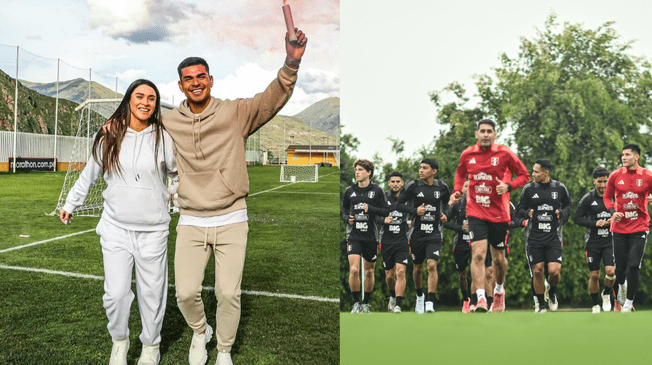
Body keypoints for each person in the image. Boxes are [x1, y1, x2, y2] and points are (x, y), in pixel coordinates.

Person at [61, 79, 176, 365]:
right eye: (140, 96)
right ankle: (120, 342)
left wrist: (183, 201)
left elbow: (174, 176)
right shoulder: (109, 135)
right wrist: (71, 203)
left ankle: (151, 346)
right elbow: (90, 174)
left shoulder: (164, 138)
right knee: (116, 294)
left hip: (153, 230)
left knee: (152, 294)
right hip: (115, 229)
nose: (146, 102)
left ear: (156, 104)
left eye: (151, 98)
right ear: (129, 100)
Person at [449, 119, 530, 313]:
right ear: (476, 134)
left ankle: (499, 291)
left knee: (498, 260)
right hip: (476, 210)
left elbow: (524, 176)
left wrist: (509, 187)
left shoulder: (504, 153)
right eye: (482, 131)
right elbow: (460, 174)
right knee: (477, 254)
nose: (485, 134)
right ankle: (481, 299)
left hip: (499, 213)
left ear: (495, 134)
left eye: (489, 131)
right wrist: (457, 191)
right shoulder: (468, 154)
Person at [516, 159, 573, 313]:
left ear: (546, 172)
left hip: (554, 236)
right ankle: (541, 306)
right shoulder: (528, 189)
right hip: (534, 237)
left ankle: (552, 292)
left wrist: (562, 214)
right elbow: (519, 209)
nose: (532, 174)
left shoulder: (559, 188)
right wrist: (526, 214)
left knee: (554, 271)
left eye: (536, 171)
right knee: (537, 271)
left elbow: (569, 205)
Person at [603, 144, 652, 313]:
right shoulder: (615, 175)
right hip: (619, 228)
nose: (623, 157)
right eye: (623, 155)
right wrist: (612, 212)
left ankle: (628, 303)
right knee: (620, 269)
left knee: (634, 265)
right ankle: (622, 286)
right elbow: (607, 197)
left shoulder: (647, 175)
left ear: (636, 157)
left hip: (640, 227)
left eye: (627, 155)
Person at [398, 159, 450, 313]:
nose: (421, 170)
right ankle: (419, 296)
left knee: (432, 265)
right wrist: (414, 211)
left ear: (434, 171)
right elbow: (399, 204)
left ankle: (430, 302)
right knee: (418, 268)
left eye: (425, 168)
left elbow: (447, 204)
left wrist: (445, 215)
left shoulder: (442, 187)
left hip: (434, 233)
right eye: (420, 168)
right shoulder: (413, 186)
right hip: (416, 234)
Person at [342, 159, 388, 313]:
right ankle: (356, 303)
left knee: (369, 272)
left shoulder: (377, 191)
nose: (357, 172)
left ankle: (366, 304)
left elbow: (385, 211)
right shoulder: (349, 191)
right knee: (354, 270)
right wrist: (347, 218)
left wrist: (372, 209)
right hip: (354, 235)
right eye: (356, 169)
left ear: (369, 173)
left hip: (370, 237)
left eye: (360, 170)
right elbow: (343, 210)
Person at [574, 167, 615, 314]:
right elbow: (576, 218)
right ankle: (595, 304)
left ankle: (606, 293)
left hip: (610, 241)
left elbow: (622, 214)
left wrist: (613, 220)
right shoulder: (588, 198)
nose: (603, 185)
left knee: (611, 272)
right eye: (600, 182)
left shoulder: (614, 197)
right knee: (595, 275)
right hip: (593, 242)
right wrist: (594, 223)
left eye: (605, 181)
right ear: (594, 181)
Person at [379, 171, 411, 313]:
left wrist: (411, 222)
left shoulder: (408, 199)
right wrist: (382, 220)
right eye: (393, 181)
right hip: (386, 241)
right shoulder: (383, 197)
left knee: (401, 272)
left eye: (398, 181)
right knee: (390, 275)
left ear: (402, 183)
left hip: (402, 241)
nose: (396, 184)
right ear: (389, 183)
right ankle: (392, 296)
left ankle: (398, 304)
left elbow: (416, 212)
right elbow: (374, 216)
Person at [444, 181, 472, 313]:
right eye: (466, 186)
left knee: (479, 271)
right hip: (460, 243)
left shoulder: (482, 203)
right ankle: (466, 300)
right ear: (462, 189)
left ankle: (477, 300)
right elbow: (444, 222)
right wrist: (460, 228)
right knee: (463, 274)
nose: (469, 188)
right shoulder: (457, 205)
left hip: (477, 243)